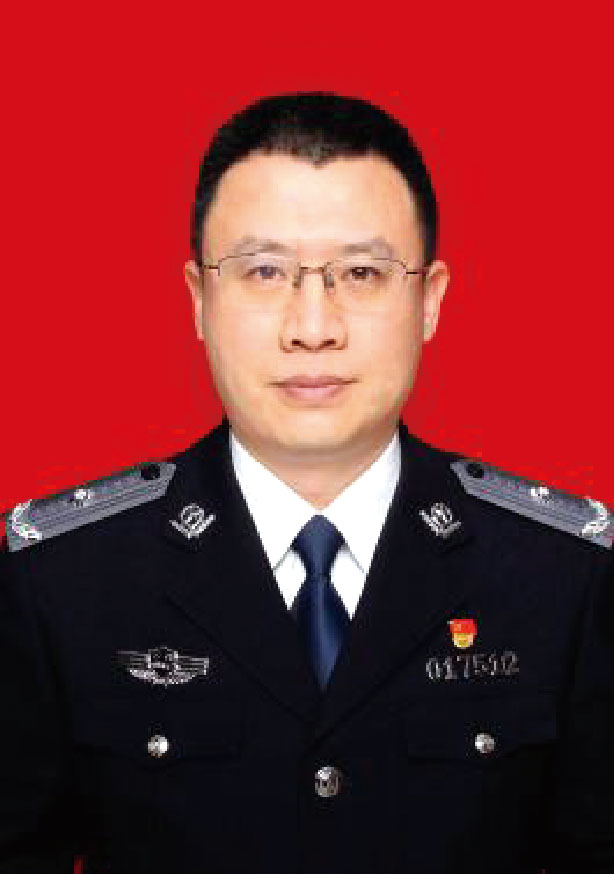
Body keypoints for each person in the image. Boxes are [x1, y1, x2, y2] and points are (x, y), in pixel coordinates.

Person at [0, 92, 612, 874]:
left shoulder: (564, 577)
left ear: (428, 300)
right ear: (199, 300)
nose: (312, 327)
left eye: (361, 272)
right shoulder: (60, 581)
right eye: (264, 272)